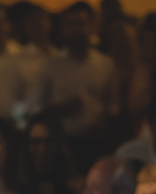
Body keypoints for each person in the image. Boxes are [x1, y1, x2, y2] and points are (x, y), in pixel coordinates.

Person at [44, 2, 119, 170]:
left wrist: (103, 119)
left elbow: (114, 106)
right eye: (70, 25)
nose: (75, 30)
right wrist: (59, 108)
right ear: (63, 29)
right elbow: (39, 106)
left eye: (80, 24)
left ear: (91, 26)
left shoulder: (105, 64)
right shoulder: (51, 65)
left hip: (97, 143)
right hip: (62, 143)